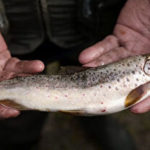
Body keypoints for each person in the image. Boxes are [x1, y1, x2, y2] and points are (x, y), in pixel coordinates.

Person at [0, 0, 149, 149]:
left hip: (90, 22)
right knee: (19, 117)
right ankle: (20, 138)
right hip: (14, 34)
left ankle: (97, 120)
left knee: (90, 63)